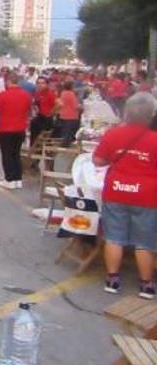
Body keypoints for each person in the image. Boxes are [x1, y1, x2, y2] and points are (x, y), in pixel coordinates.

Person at [95, 93, 157, 299]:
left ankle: (112, 279)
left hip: (116, 190)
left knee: (114, 237)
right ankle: (146, 284)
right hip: (147, 194)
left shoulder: (113, 135)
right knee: (145, 241)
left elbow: (97, 160)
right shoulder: (154, 139)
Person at [0, 72, 32, 189]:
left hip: (5, 129)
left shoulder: (3, 95)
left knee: (7, 155)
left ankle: (9, 179)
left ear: (8, 82)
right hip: (20, 129)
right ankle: (18, 179)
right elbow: (29, 111)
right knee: (16, 154)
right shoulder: (26, 95)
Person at [30, 76, 59, 147]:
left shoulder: (50, 93)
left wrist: (51, 113)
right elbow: (35, 104)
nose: (40, 85)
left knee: (43, 138)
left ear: (47, 84)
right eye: (38, 83)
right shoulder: (38, 93)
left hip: (46, 119)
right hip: (39, 117)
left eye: (42, 83)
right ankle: (34, 150)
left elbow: (60, 104)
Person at [57, 81, 81, 147]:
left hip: (63, 114)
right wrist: (81, 107)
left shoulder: (63, 93)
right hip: (71, 115)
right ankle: (66, 144)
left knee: (65, 131)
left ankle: (65, 143)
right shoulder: (71, 94)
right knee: (69, 131)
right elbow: (75, 106)